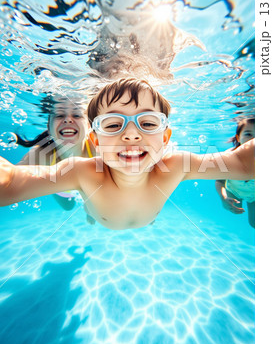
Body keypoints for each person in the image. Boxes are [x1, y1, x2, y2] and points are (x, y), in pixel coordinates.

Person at [0, 78, 255, 230]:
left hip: (142, 217)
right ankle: (90, 213)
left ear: (165, 138)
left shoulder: (177, 165)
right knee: (86, 208)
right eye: (112, 124)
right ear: (95, 141)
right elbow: (11, 183)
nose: (131, 135)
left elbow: (244, 162)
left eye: (148, 123)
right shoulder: (83, 172)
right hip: (99, 214)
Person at [15, 96, 96, 216]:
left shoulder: (97, 148)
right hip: (61, 187)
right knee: (68, 206)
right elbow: (12, 177)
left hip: (91, 188)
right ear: (48, 127)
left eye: (77, 115)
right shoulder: (42, 154)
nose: (68, 120)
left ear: (89, 126)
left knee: (93, 210)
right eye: (59, 115)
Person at [215, 118, 255, 228]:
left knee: (254, 223)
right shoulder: (229, 156)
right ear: (238, 137)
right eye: (248, 134)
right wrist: (223, 198)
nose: (254, 140)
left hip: (255, 195)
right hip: (233, 191)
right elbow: (219, 181)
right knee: (233, 209)